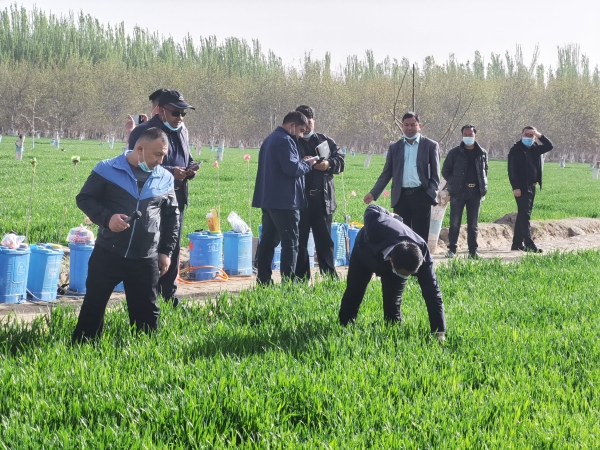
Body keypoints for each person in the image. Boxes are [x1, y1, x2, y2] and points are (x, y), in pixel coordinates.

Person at [72, 127, 180, 343]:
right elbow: (84, 199)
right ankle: (82, 348)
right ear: (140, 149)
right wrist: (107, 218)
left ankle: (142, 353)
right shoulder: (107, 169)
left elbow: (172, 217)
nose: (161, 160)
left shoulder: (165, 178)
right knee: (93, 308)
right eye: (157, 154)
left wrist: (166, 252)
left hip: (145, 257)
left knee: (147, 315)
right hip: (108, 252)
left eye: (163, 155)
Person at [128, 90, 198, 306]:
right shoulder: (144, 132)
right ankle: (147, 296)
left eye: (183, 113)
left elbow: (186, 157)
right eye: (176, 113)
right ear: (160, 111)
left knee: (172, 246)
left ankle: (169, 294)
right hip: (150, 200)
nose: (180, 118)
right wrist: (170, 172)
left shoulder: (182, 131)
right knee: (150, 247)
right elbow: (136, 165)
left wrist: (190, 169)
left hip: (176, 198)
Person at [338, 205, 446, 341]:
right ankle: (344, 328)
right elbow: (372, 208)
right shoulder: (375, 223)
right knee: (354, 292)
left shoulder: (421, 252)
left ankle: (392, 335)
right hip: (364, 253)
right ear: (391, 262)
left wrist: (440, 332)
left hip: (398, 261)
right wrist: (389, 215)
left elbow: (433, 293)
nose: (405, 278)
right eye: (402, 274)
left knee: (393, 302)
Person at [252, 111, 317, 285]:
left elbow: (285, 165)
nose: (301, 135)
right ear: (291, 126)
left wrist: (301, 162)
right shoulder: (285, 140)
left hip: (269, 199)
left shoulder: (270, 139)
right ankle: (289, 283)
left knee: (268, 241)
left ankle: (263, 280)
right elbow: (292, 169)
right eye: (301, 130)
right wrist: (308, 164)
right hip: (285, 201)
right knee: (291, 242)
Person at [364, 112, 440, 243]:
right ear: (402, 126)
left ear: (420, 126)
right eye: (406, 125)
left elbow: (435, 175)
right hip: (401, 197)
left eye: (413, 125)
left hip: (422, 196)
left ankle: (421, 256)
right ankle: (403, 257)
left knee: (420, 236)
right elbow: (387, 173)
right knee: (400, 234)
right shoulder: (395, 147)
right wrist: (374, 193)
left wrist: (430, 195)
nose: (409, 128)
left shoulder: (430, 146)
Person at [294, 105, 345, 280]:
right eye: (303, 123)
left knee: (324, 241)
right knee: (300, 242)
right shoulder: (293, 142)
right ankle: (301, 279)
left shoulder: (325, 141)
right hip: (300, 200)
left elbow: (341, 161)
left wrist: (328, 165)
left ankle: (329, 277)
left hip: (323, 200)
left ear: (314, 122)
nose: (307, 126)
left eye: (310, 122)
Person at [441, 124, 488, 259]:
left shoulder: (482, 153)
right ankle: (452, 249)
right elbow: (445, 171)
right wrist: (454, 183)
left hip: (475, 193)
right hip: (459, 192)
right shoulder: (454, 153)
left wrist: (482, 186)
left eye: (470, 134)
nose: (468, 137)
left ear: (475, 135)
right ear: (462, 136)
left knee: (473, 224)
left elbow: (485, 170)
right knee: (455, 223)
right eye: (465, 135)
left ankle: (473, 251)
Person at [508, 126, 554, 252]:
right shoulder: (516, 149)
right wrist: (516, 187)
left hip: (532, 186)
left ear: (535, 138)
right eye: (526, 134)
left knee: (522, 214)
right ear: (521, 136)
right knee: (525, 215)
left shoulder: (535, 149)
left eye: (531, 135)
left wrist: (539, 134)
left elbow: (550, 146)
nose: (528, 137)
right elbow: (511, 170)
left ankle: (516, 244)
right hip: (521, 187)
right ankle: (529, 244)